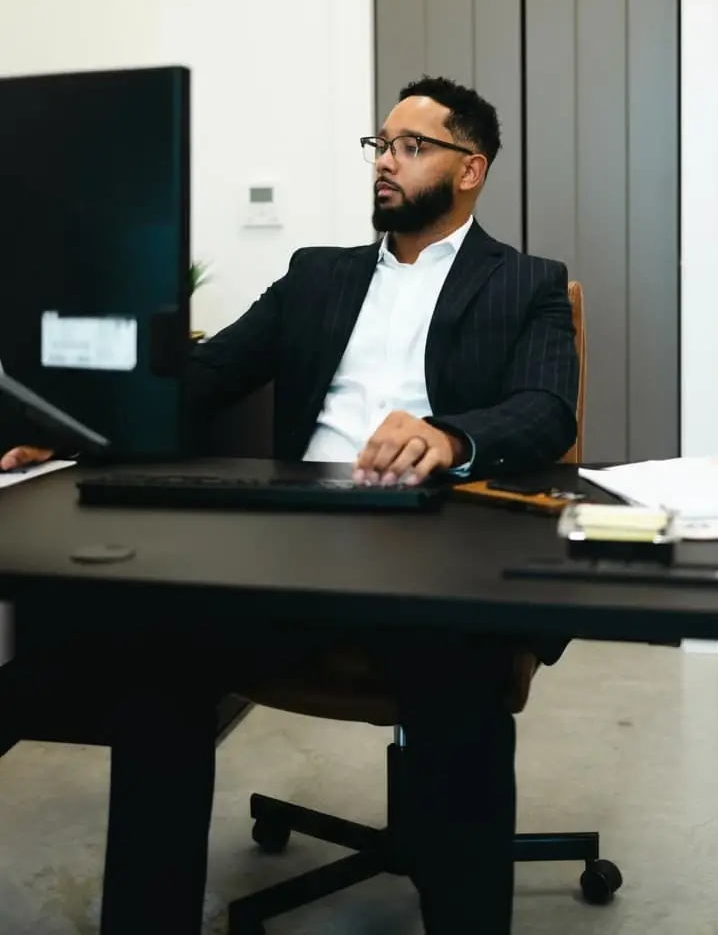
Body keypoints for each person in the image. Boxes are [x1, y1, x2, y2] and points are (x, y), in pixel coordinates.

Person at [3, 76, 578, 934]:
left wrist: (448, 435)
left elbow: (545, 409)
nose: (385, 162)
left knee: (462, 691)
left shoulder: (527, 283)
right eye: (379, 145)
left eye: (411, 146)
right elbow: (206, 376)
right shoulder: (318, 277)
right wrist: (77, 429)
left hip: (437, 550)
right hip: (298, 542)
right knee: (158, 658)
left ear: (471, 169)